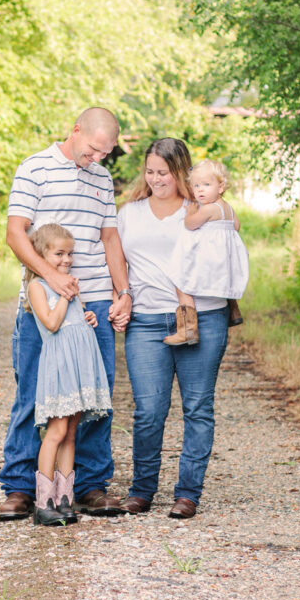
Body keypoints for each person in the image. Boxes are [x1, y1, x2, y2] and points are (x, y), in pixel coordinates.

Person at [0, 107, 132, 521]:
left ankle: (88, 485)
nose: (97, 160)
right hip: (43, 303)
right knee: (34, 393)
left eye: (104, 154)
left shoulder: (102, 178)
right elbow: (15, 232)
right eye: (92, 150)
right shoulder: (35, 168)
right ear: (76, 131)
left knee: (92, 398)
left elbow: (109, 237)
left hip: (91, 306)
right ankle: (21, 487)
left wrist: (122, 292)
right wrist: (50, 277)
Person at [116, 138, 230, 520]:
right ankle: (142, 490)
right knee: (149, 410)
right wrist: (122, 295)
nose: (155, 179)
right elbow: (116, 260)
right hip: (147, 320)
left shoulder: (200, 209)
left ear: (180, 172)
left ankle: (187, 494)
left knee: (198, 407)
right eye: (149, 172)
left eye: (163, 172)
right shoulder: (130, 213)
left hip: (202, 317)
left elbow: (228, 244)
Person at [24, 224, 112, 526]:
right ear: (40, 255)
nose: (66, 259)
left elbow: (73, 319)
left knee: (72, 432)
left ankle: (64, 499)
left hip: (80, 364)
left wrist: (86, 315)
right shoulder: (38, 286)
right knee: (56, 431)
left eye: (70, 253)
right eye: (59, 253)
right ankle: (43, 501)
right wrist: (65, 295)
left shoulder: (69, 286)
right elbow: (51, 323)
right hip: (61, 365)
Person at [162, 158, 249, 346]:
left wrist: (190, 213)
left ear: (220, 187)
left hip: (208, 261)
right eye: (196, 186)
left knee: (180, 280)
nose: (200, 190)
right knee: (223, 285)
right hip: (223, 262)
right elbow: (236, 226)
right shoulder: (228, 208)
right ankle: (233, 311)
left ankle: (188, 329)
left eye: (206, 185)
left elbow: (190, 225)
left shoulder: (208, 209)